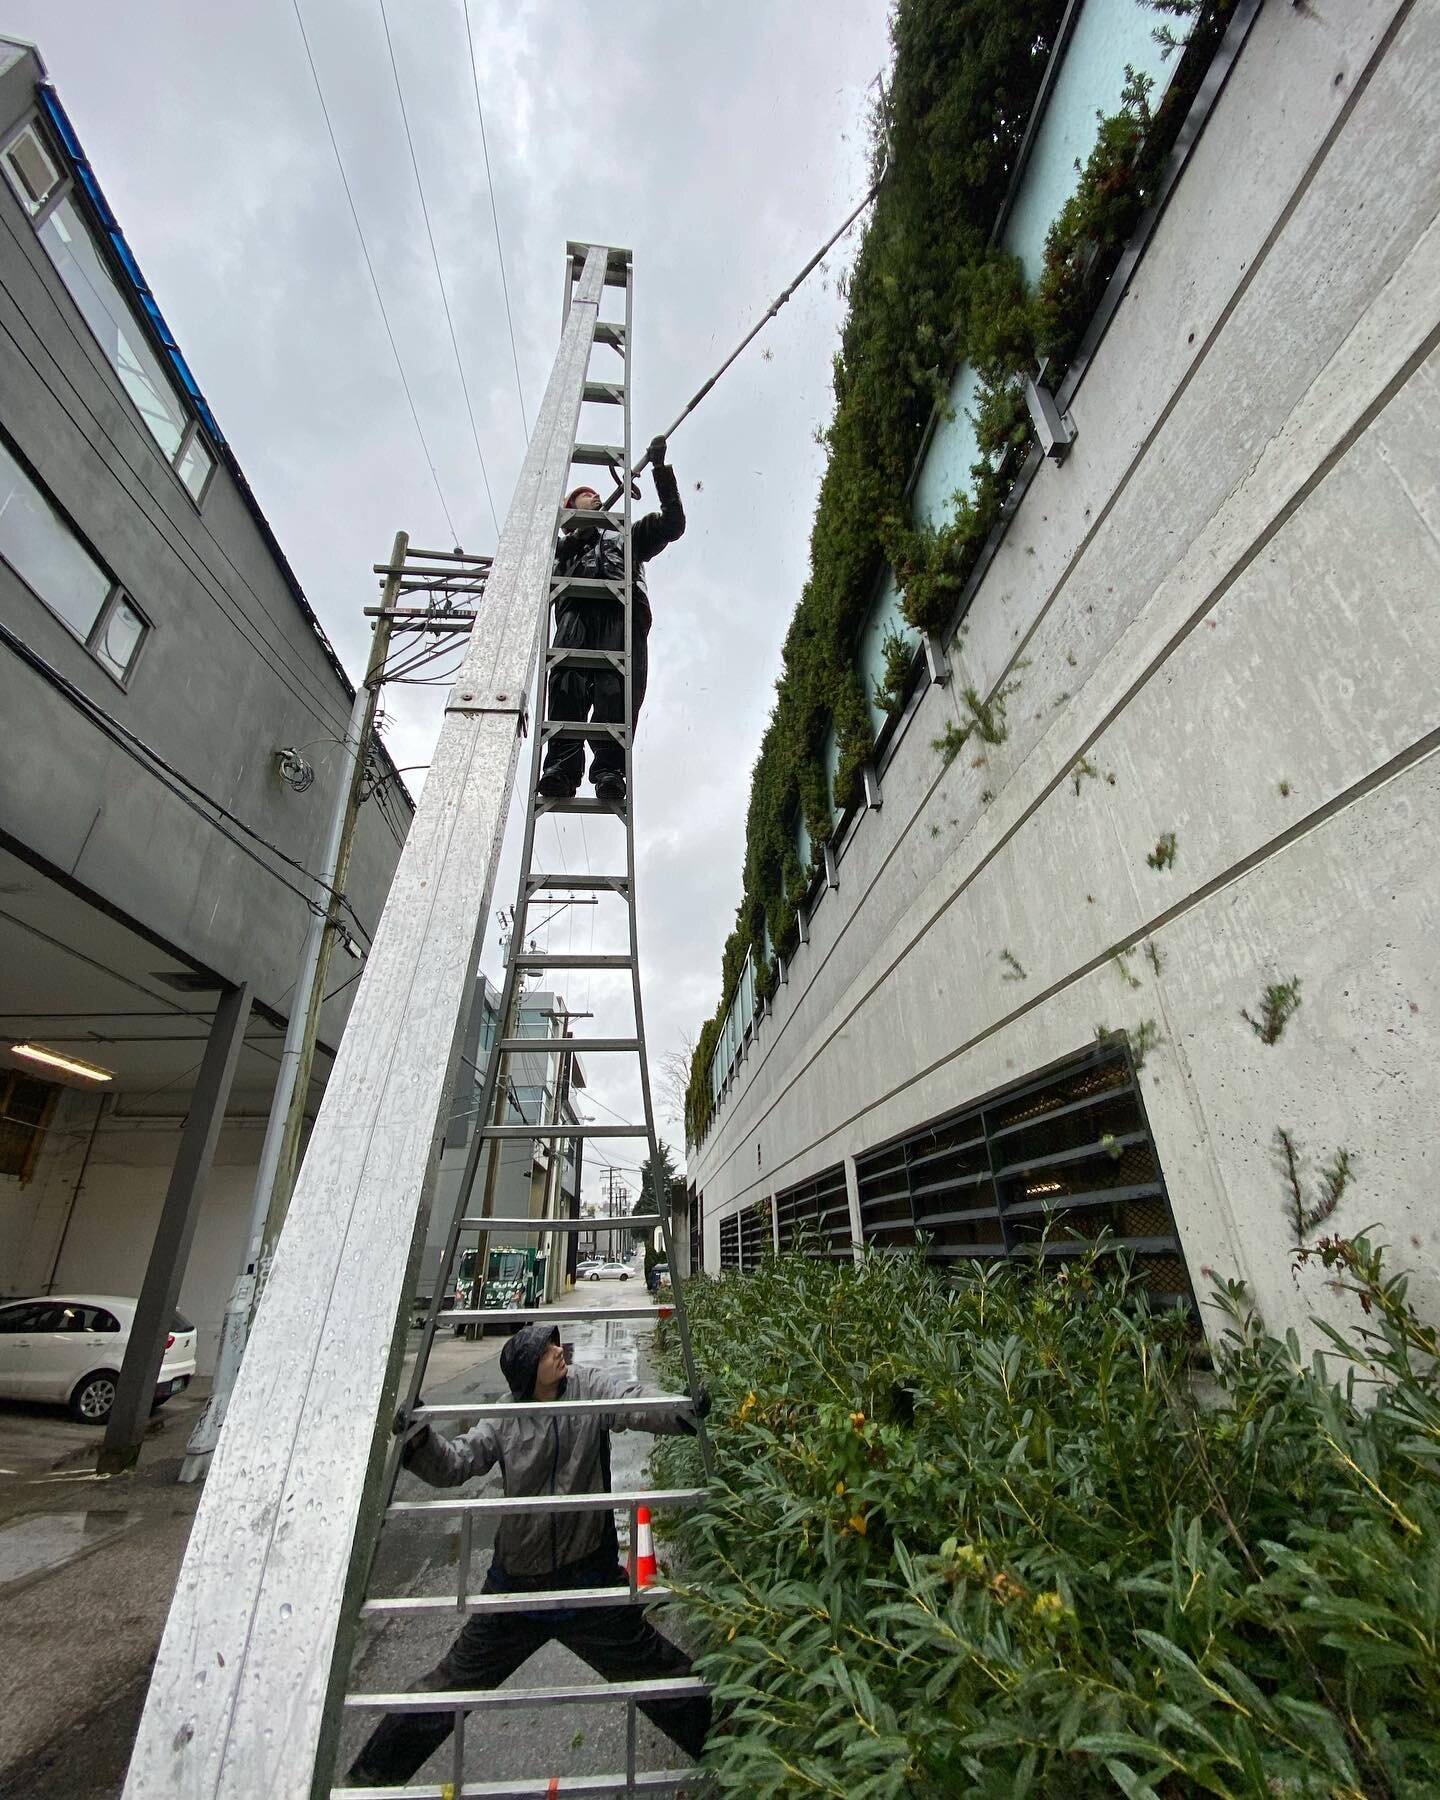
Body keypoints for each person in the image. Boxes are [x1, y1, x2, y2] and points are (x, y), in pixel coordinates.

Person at [346, 1322, 712, 1787]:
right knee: (448, 1687)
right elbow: (457, 1462)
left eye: (556, 1343)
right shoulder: (505, 1417)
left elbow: (633, 1400)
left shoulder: (588, 1389)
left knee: (664, 1675)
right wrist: (419, 1439)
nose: (559, 1352)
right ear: (526, 1373)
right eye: (546, 1349)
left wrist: (682, 1412)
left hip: (589, 1582)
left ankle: (731, 1749)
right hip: (517, 1589)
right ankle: (367, 1782)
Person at [537, 435, 686, 806]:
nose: (595, 497)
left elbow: (673, 524)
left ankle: (609, 770)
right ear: (570, 509)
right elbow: (544, 569)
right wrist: (578, 535)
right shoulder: (562, 548)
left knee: (615, 691)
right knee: (567, 684)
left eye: (594, 495)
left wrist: (659, 469)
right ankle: (560, 767)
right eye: (585, 496)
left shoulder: (625, 537)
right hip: (577, 610)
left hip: (624, 609)